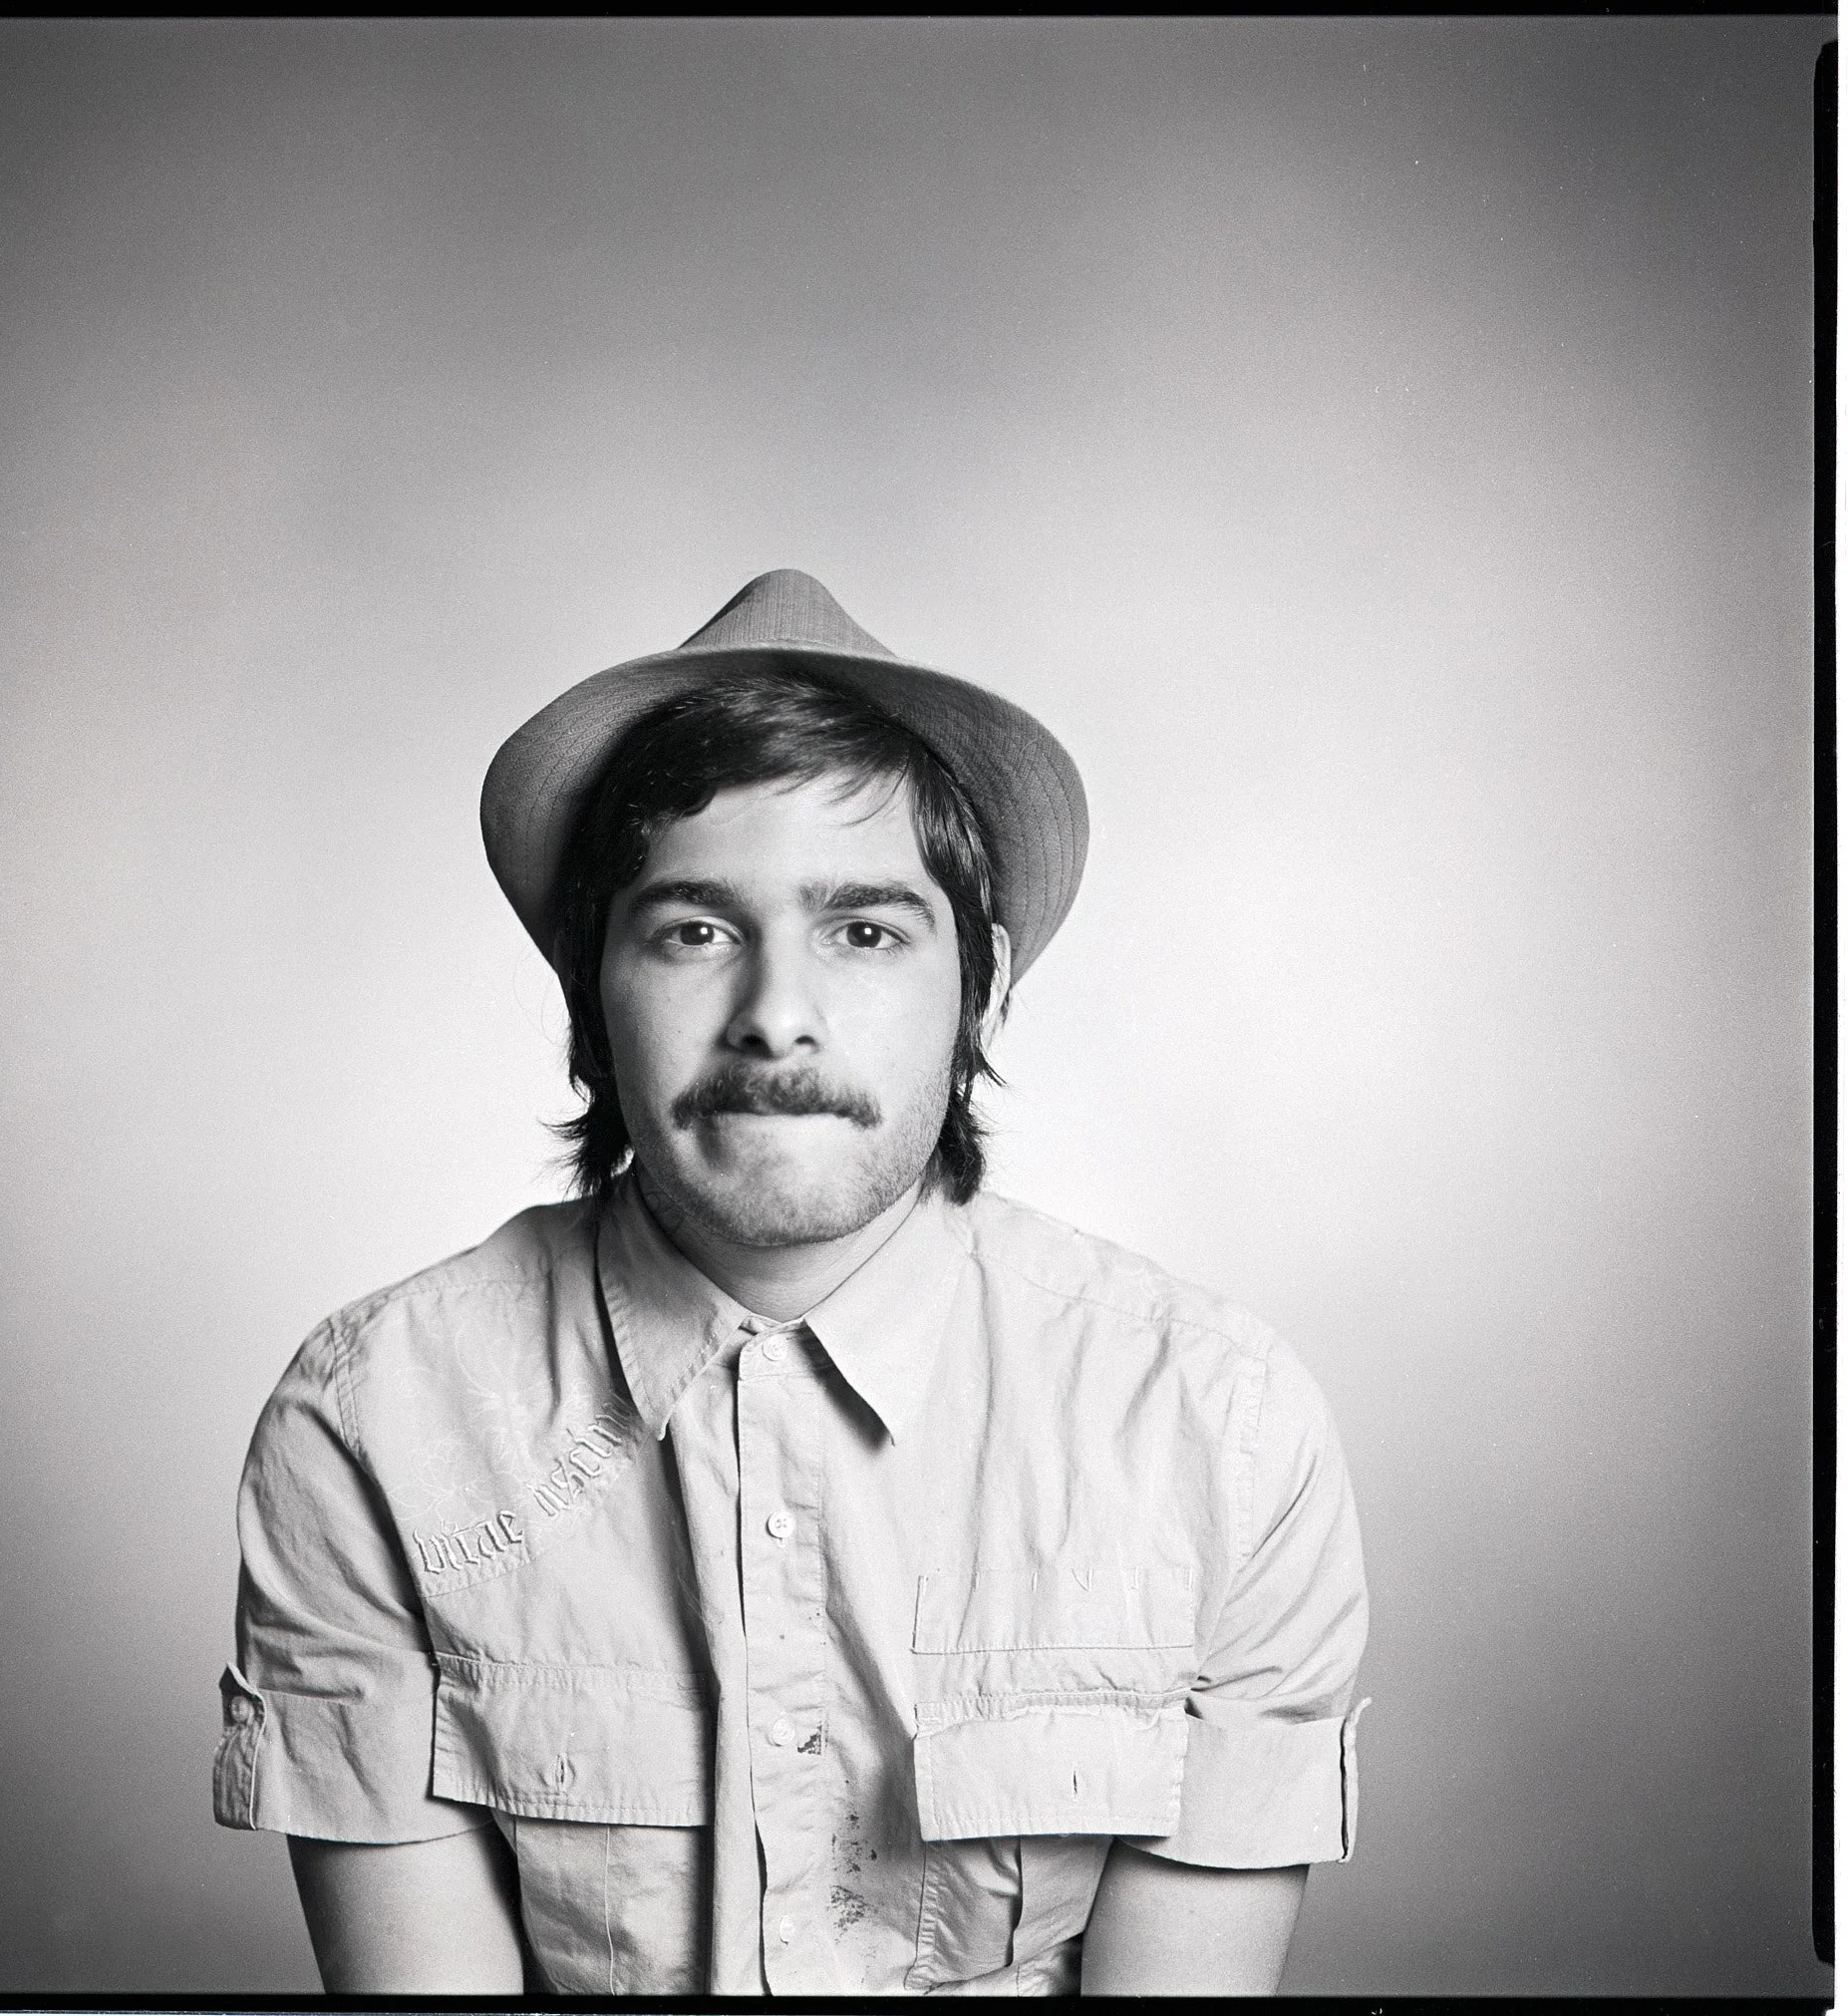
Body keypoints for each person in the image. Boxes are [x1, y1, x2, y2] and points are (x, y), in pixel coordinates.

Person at [212, 569, 1370, 1996]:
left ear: (984, 987)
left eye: (865, 929)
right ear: (590, 987)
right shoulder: (374, 1425)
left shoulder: (1218, 1430)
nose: (776, 1015)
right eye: (695, 928)